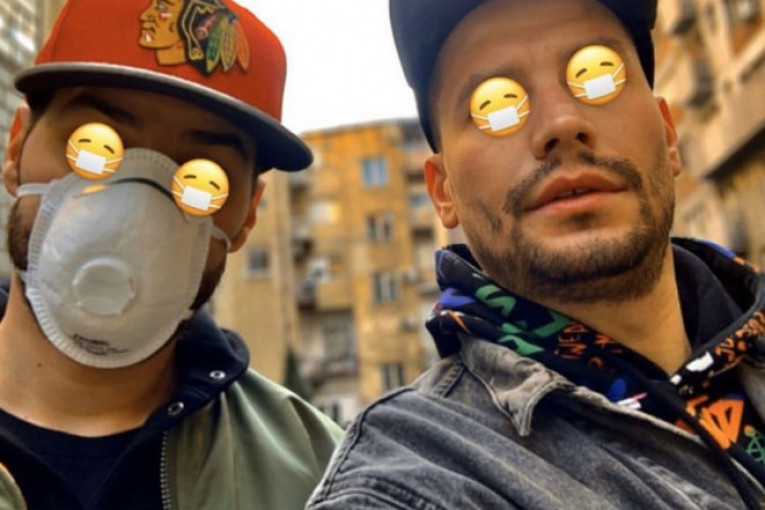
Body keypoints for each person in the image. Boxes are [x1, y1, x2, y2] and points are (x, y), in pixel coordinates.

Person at [306, 0, 765, 509]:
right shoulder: (411, 483)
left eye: (598, 74)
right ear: (443, 191)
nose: (562, 123)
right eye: (494, 104)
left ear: (668, 134)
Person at [0, 0, 343, 509]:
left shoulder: (326, 477)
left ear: (247, 215)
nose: (135, 213)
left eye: (202, 179)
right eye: (92, 148)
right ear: (16, 149)